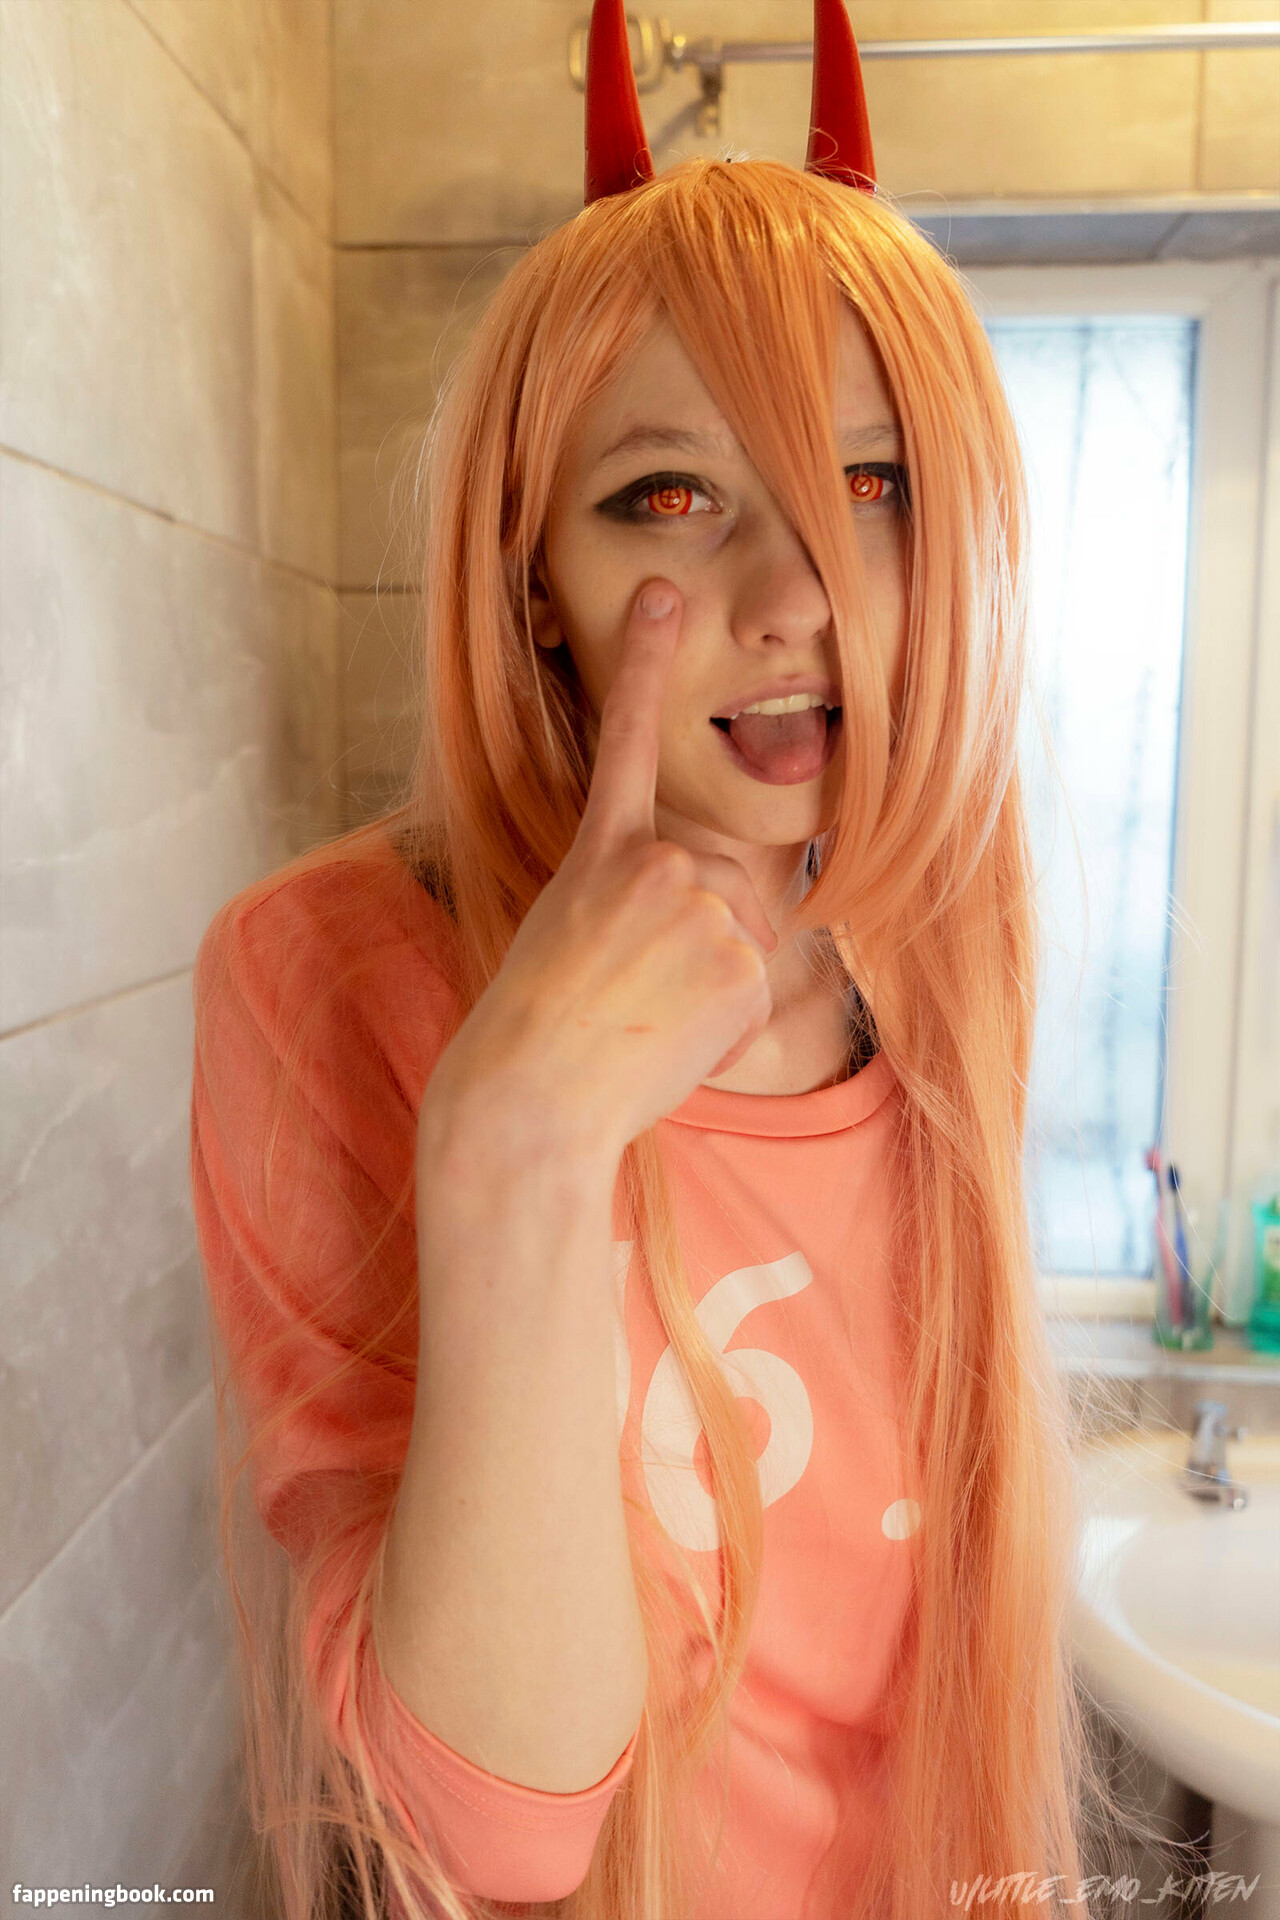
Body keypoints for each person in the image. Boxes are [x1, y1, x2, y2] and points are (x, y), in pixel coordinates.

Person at [189, 3, 1177, 1915]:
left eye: (871, 488)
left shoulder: (932, 953)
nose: (798, 599)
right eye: (669, 495)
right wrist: (523, 1143)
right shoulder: (331, 974)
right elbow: (501, 1833)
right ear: (533, 584)